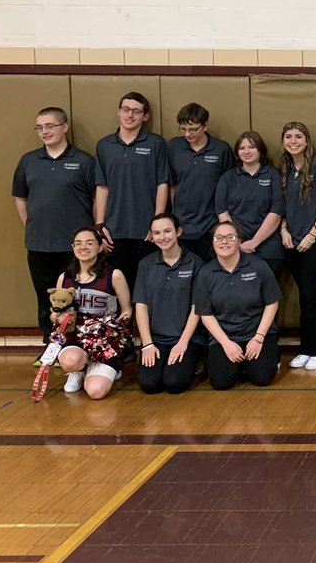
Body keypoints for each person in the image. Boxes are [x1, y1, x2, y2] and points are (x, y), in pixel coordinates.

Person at [12, 107, 96, 353]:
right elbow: (20, 198)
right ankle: (52, 347)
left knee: (81, 299)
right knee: (46, 300)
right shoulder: (29, 161)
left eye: (50, 126)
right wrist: (32, 225)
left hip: (76, 250)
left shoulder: (83, 160)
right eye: (39, 127)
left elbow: (97, 198)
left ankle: (82, 346)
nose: (44, 131)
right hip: (40, 245)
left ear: (64, 127)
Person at [94, 92, 169, 289]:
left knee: (146, 288)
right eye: (126, 109)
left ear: (145, 116)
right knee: (116, 288)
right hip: (114, 232)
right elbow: (102, 187)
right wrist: (100, 225)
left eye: (136, 111)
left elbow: (162, 184)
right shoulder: (104, 145)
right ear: (119, 112)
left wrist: (157, 223)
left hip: (146, 231)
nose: (130, 115)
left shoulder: (156, 143)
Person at [279, 122, 316, 370]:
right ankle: (305, 348)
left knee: (309, 293)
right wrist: (283, 230)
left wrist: (312, 236)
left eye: (298, 136)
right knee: (303, 297)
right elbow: (282, 207)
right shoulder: (284, 169)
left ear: (307, 140)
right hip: (291, 240)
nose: (293, 141)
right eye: (288, 136)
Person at [195, 220, 281, 390]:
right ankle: (241, 363)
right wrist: (226, 344)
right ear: (213, 243)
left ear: (240, 241)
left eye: (230, 237)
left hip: (256, 333)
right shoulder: (205, 273)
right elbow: (205, 314)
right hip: (225, 335)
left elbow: (272, 303)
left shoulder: (258, 266)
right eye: (219, 238)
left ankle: (263, 358)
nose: (224, 242)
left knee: (262, 378)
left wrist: (258, 338)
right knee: (221, 383)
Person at [54, 226, 132, 399]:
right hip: (76, 341)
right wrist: (58, 318)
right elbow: (59, 311)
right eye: (78, 243)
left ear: (100, 247)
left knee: (96, 392)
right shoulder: (65, 277)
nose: (84, 247)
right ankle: (79, 369)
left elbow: (126, 310)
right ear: (73, 248)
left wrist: (113, 337)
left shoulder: (114, 275)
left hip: (104, 343)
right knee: (69, 361)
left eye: (90, 243)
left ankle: (108, 367)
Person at [132, 213, 206, 395]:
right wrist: (147, 344)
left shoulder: (195, 263)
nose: (162, 237)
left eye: (167, 231)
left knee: (174, 383)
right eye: (157, 233)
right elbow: (140, 306)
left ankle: (198, 360)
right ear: (151, 235)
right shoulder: (146, 265)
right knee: (149, 385)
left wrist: (182, 343)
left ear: (178, 232)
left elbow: (197, 308)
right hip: (156, 339)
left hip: (186, 338)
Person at [167, 103, 234, 260]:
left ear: (205, 126)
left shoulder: (221, 149)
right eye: (183, 129)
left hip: (211, 224)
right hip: (182, 225)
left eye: (193, 129)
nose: (187, 134)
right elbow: (172, 185)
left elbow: (230, 187)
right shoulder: (174, 147)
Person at [214, 131, 285, 277]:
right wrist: (236, 242)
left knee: (266, 294)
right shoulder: (228, 177)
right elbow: (222, 212)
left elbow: (276, 212)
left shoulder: (273, 175)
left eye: (252, 147)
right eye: (242, 148)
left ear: (260, 150)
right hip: (237, 247)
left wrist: (254, 242)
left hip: (269, 248)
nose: (246, 151)